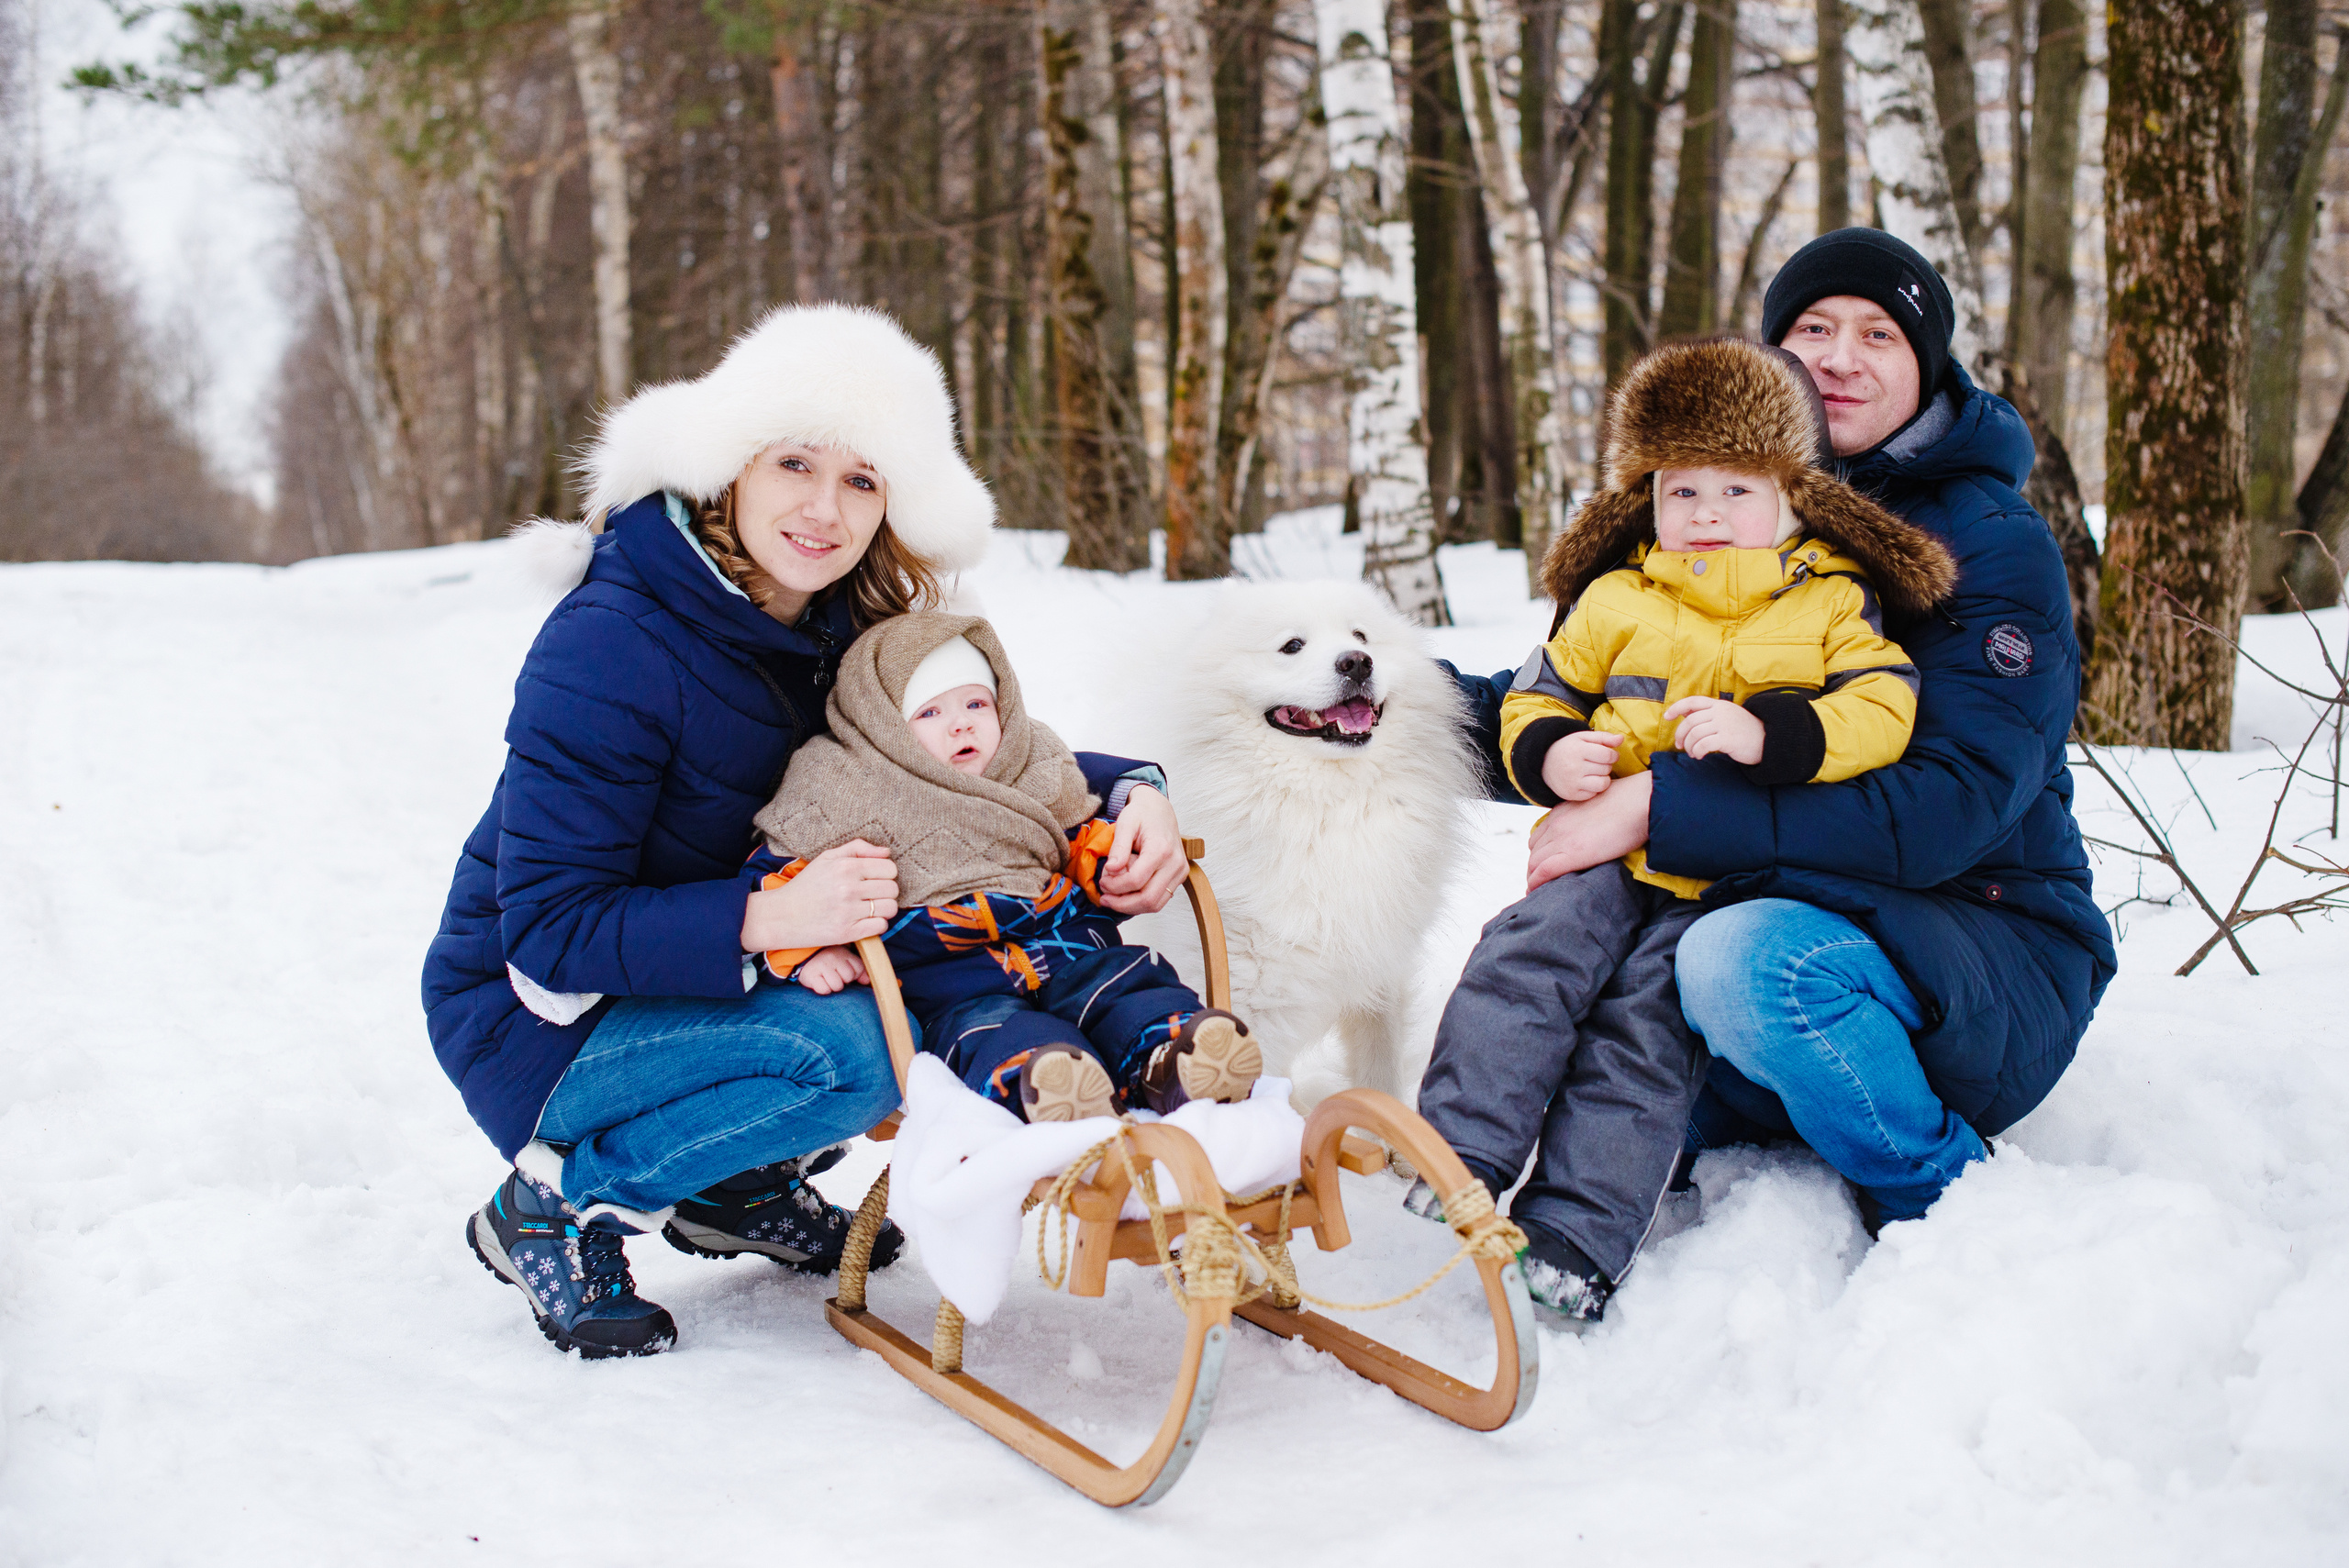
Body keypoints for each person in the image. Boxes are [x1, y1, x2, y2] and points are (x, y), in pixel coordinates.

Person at [422, 305, 1190, 1359]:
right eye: (794, 462)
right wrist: (768, 912)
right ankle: (557, 1198)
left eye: (863, 479)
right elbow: (549, 926)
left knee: (928, 975)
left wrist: (1130, 790)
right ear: (729, 466)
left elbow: (952, 759)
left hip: (695, 972)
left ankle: (729, 1181)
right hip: (540, 1014)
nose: (824, 508)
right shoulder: (609, 642)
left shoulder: (840, 627)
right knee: (872, 1045)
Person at [1497, 228, 2116, 1240]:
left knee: (1742, 962)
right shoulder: (1718, 504)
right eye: (1813, 327)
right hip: (1776, 901)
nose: (1839, 354)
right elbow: (1596, 679)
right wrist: (1383, 699)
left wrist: (1657, 800)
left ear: (1926, 367)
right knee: (1572, 978)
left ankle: (1943, 1197)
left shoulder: (1989, 540)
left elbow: (1951, 804)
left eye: (1878, 333)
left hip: (1978, 939)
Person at [1412, 338, 1956, 1322]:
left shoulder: (1830, 597)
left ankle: (1575, 1237)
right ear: (1647, 498)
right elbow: (1541, 690)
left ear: (1794, 494)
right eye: (1681, 491)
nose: (1705, 514)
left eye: (1735, 490)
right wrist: (1549, 753)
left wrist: (1769, 733)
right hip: (1604, 857)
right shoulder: (1619, 593)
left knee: (1644, 1030)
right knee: (1524, 956)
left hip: (1725, 871)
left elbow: (1884, 706)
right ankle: (1456, 1148)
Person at [747, 613, 1264, 1123]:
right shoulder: (841, 791)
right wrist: (808, 951)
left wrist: (1109, 859)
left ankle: (1181, 1058)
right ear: (882, 729)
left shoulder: (1033, 767)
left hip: (1073, 951)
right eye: (929, 713)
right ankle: (1048, 1088)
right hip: (956, 982)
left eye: (976, 702)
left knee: (1128, 986)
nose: (962, 723)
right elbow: (776, 882)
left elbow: (1086, 822)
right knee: (991, 1033)